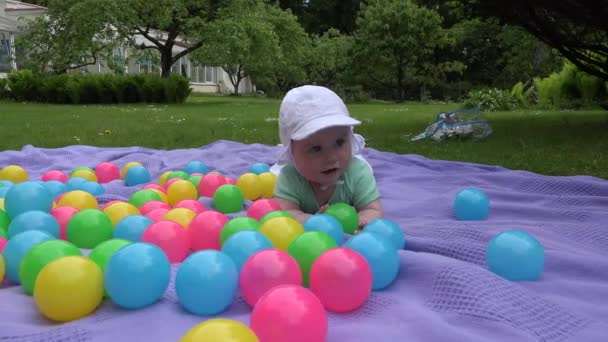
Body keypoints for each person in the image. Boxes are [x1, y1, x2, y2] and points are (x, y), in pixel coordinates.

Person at [271, 85, 384, 231]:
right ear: (292, 153)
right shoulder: (290, 177)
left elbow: (374, 210)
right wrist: (314, 221)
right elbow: (285, 214)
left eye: (339, 142)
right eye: (316, 149)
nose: (331, 158)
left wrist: (362, 219)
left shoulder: (358, 173)